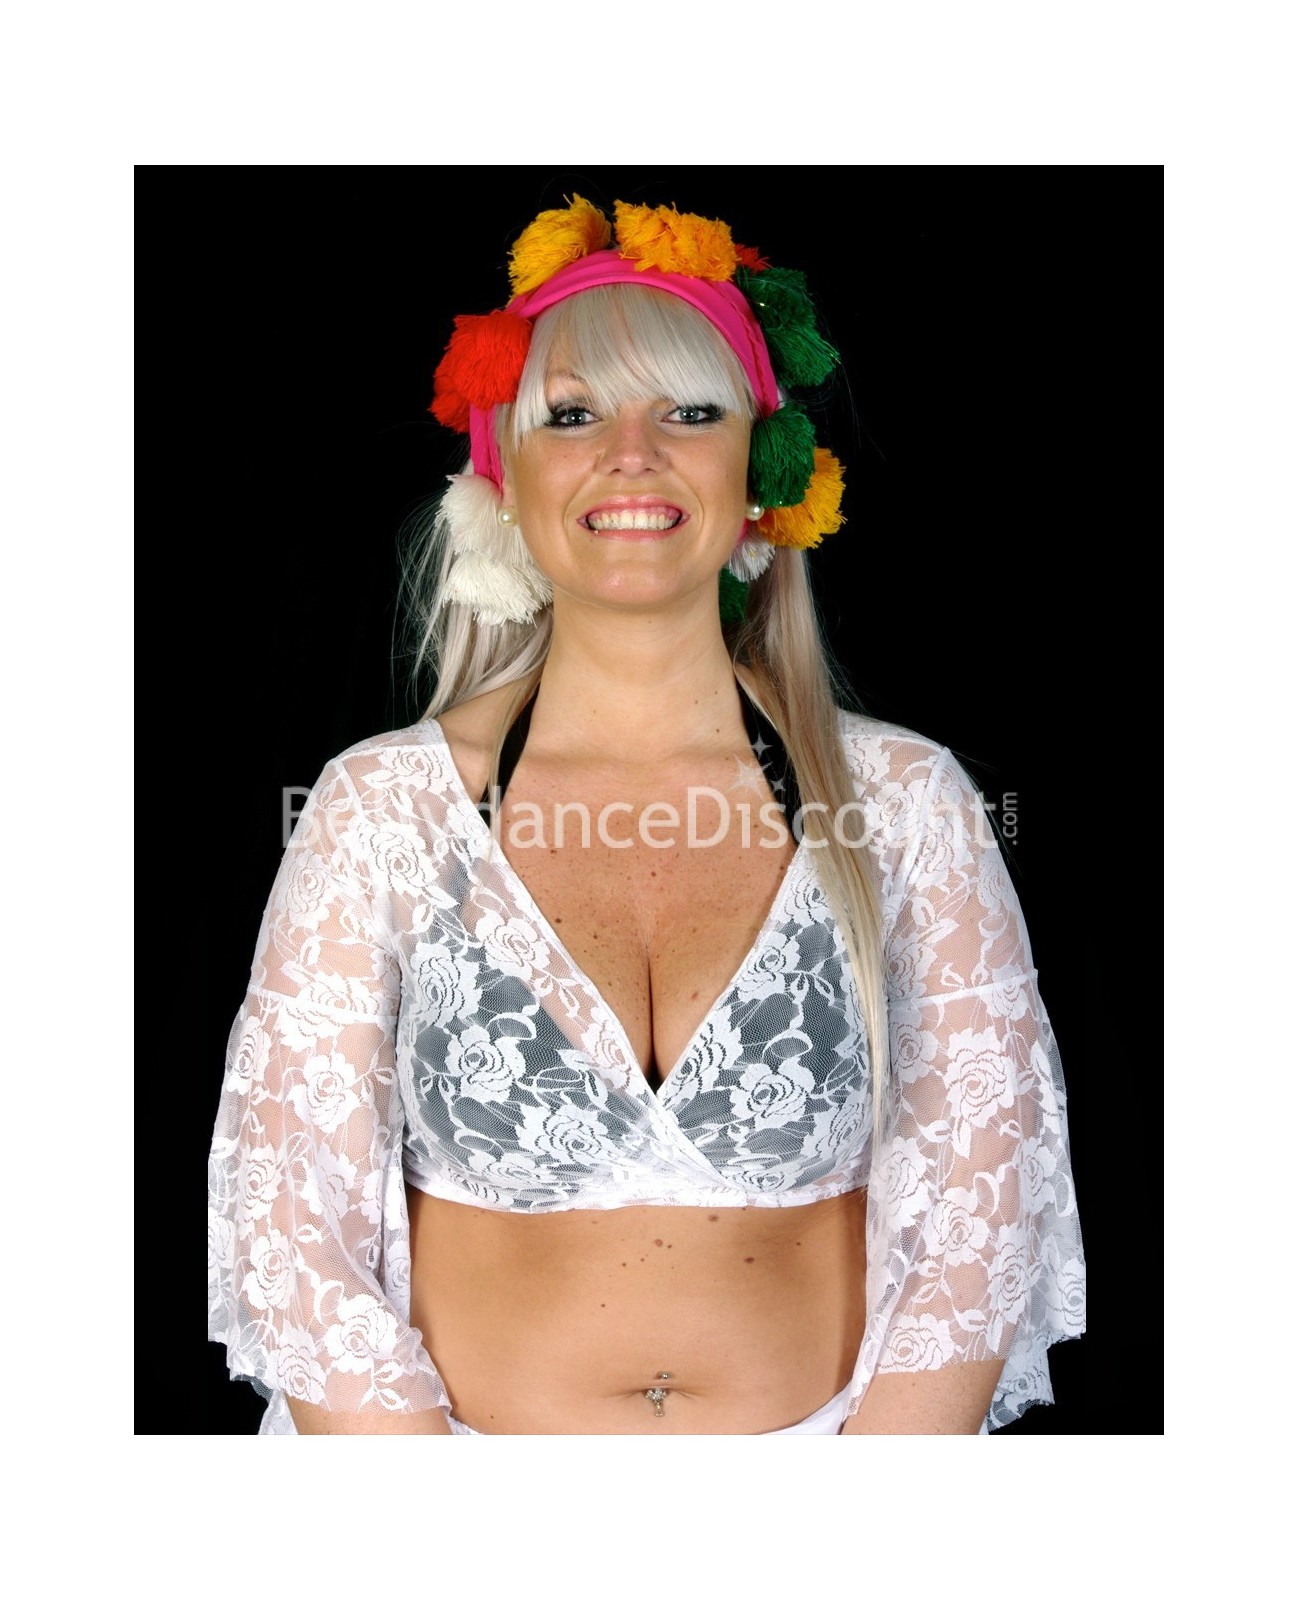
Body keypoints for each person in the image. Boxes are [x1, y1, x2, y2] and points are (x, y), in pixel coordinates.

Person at [206, 194, 1085, 1435]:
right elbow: (292, 1224)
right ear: (505, 477)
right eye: (572, 415)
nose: (632, 452)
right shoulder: (382, 811)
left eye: (689, 412)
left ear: (761, 472)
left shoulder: (901, 804)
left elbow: (978, 1220)